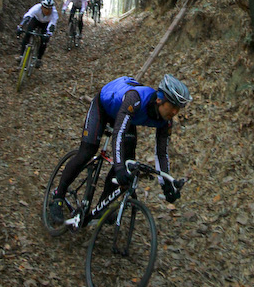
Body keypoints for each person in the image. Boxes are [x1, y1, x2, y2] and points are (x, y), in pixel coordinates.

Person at [49, 74, 192, 226]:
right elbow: (118, 134)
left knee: (127, 162)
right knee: (87, 152)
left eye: (179, 108)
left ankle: (102, 205)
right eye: (173, 106)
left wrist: (166, 185)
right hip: (104, 107)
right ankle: (58, 196)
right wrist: (118, 168)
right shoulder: (135, 99)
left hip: (127, 117)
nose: (175, 112)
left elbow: (161, 153)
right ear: (159, 99)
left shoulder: (165, 121)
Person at [17, 0, 58, 68]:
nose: (47, 11)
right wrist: (21, 26)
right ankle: (21, 55)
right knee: (27, 34)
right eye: (45, 8)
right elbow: (28, 15)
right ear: (42, 6)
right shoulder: (36, 8)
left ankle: (39, 59)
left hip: (46, 24)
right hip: (36, 20)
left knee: (44, 41)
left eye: (50, 9)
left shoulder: (54, 13)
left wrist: (49, 34)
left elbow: (52, 24)